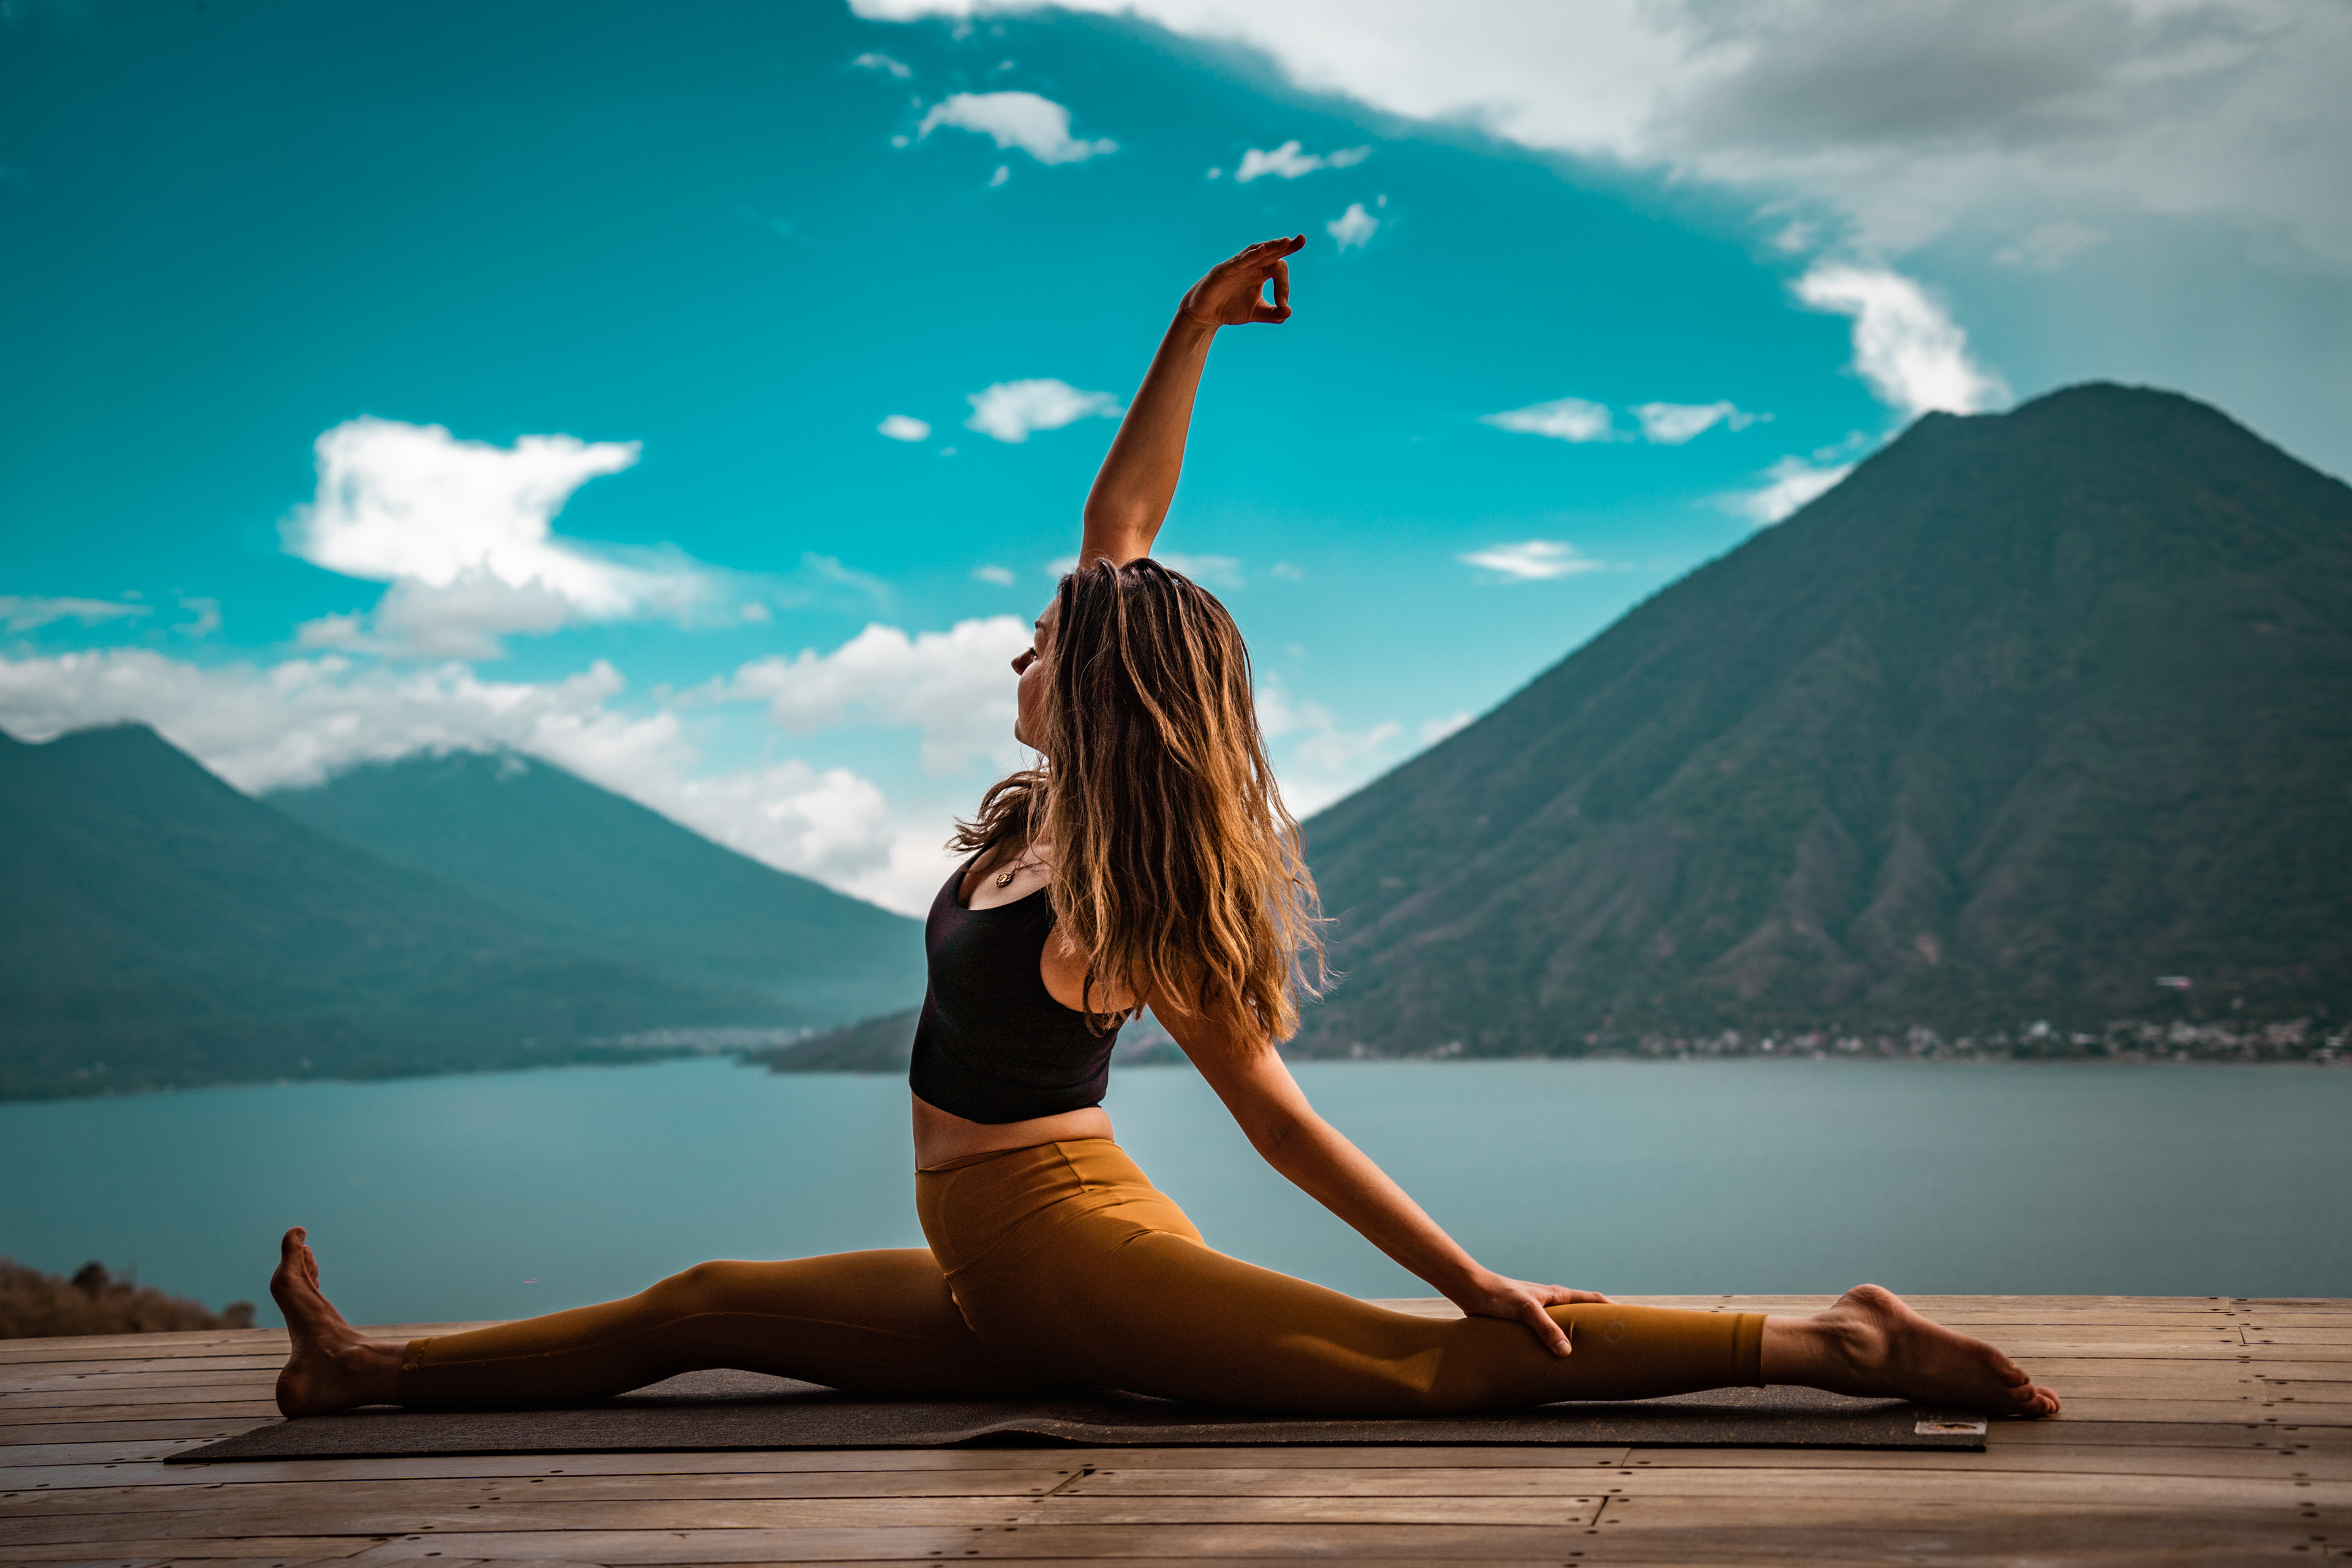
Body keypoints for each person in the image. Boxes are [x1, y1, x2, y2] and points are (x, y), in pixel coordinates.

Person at [271, 237, 2060, 1423]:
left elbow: (1275, 1120)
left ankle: (1835, 1340)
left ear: (1096, 688)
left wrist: (1472, 1271)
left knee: (1431, 1372)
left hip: (1061, 1261)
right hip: (1008, 1258)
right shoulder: (1056, 810)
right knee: (705, 1297)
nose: (1023, 643)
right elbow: (1118, 521)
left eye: (1045, 641)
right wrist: (1191, 331)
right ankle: (368, 1374)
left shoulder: (1122, 898)